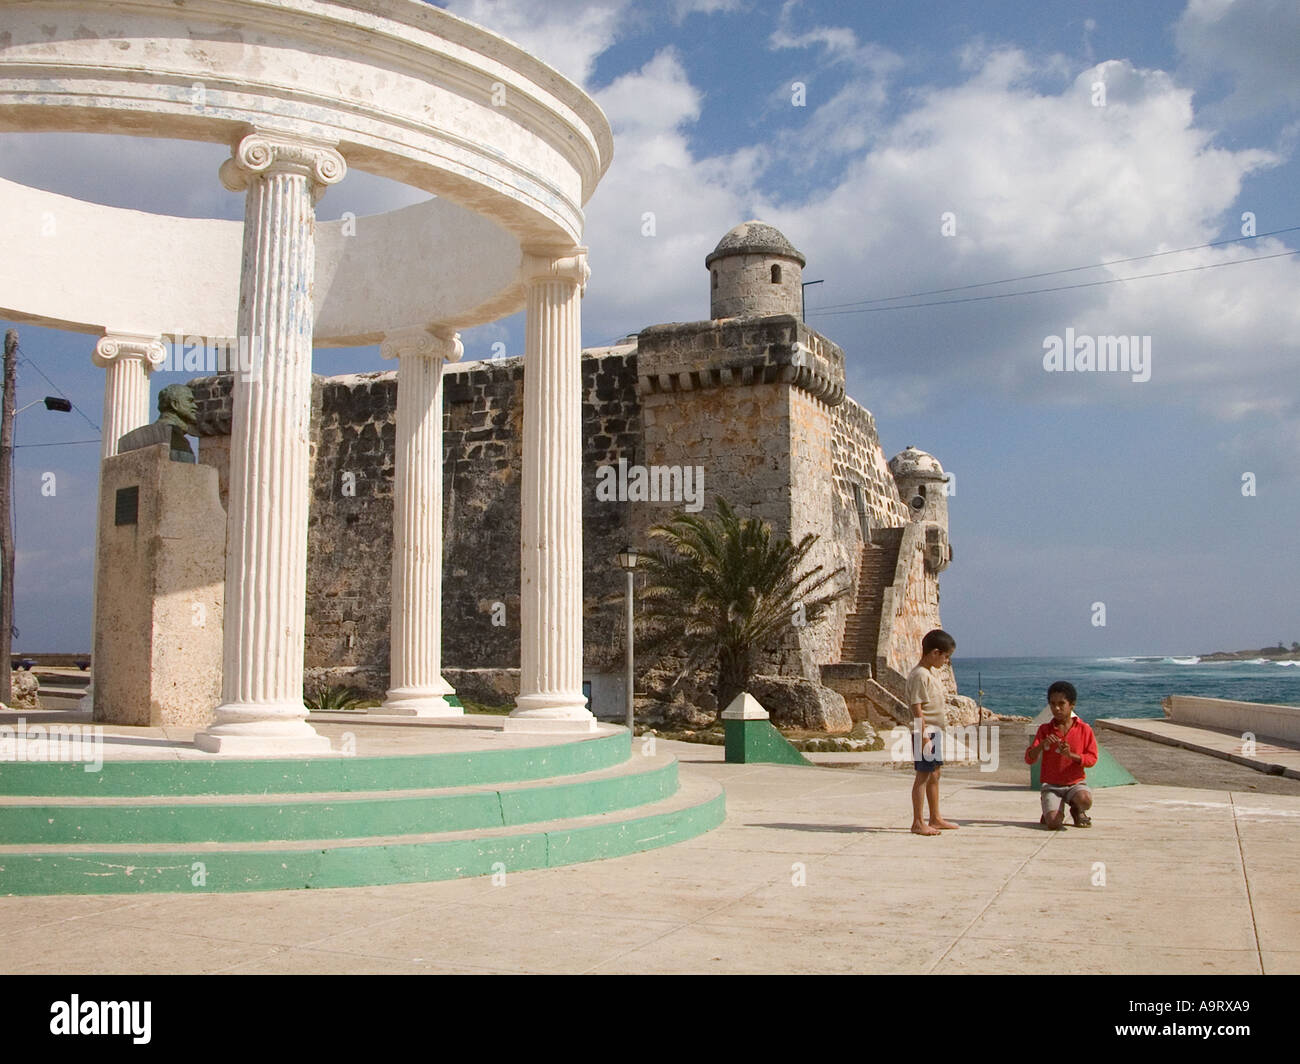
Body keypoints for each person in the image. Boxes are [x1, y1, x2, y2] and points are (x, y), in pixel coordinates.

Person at [1024, 681, 1098, 829]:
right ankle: (1051, 812)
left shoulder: (1085, 729)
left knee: (1085, 799)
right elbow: (1029, 758)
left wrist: (1071, 755)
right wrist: (1041, 746)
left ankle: (1077, 810)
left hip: (1075, 784)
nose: (1056, 708)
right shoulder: (1044, 730)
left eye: (1061, 704)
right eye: (1052, 704)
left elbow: (1091, 759)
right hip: (1052, 786)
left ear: (1072, 705)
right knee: (1054, 823)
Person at [906, 628, 959, 836]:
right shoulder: (919, 675)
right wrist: (924, 735)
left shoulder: (929, 673)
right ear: (935, 652)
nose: (946, 661)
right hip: (925, 733)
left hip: (934, 731)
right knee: (923, 775)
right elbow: (916, 708)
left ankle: (935, 817)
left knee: (935, 773)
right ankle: (918, 821)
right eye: (946, 656)